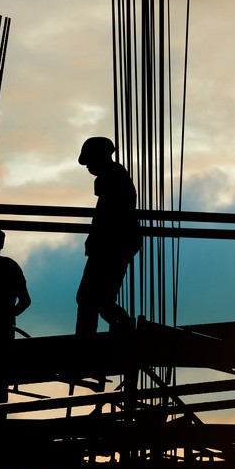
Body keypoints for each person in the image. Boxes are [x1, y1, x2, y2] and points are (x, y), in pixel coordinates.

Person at [77, 136, 142, 336]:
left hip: (111, 246)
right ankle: (122, 327)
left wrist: (95, 242)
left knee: (90, 298)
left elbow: (106, 218)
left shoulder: (110, 178)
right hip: (115, 245)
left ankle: (88, 342)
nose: (87, 167)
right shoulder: (115, 176)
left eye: (89, 161)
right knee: (96, 299)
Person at [0, 229, 32, 339]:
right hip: (3, 326)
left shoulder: (8, 266)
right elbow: (25, 301)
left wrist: (6, 316)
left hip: (2, 327)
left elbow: (25, 301)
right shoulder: (11, 266)